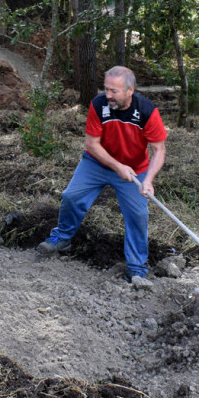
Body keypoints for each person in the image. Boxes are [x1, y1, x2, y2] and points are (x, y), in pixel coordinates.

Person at [37, 66, 166, 288]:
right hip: (97, 163)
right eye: (106, 89)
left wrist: (148, 180)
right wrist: (117, 166)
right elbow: (92, 145)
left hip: (135, 169)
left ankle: (136, 267)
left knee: (138, 214)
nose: (108, 95)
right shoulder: (98, 105)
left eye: (114, 91)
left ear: (130, 90)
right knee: (71, 196)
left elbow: (159, 150)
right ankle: (62, 239)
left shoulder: (146, 111)